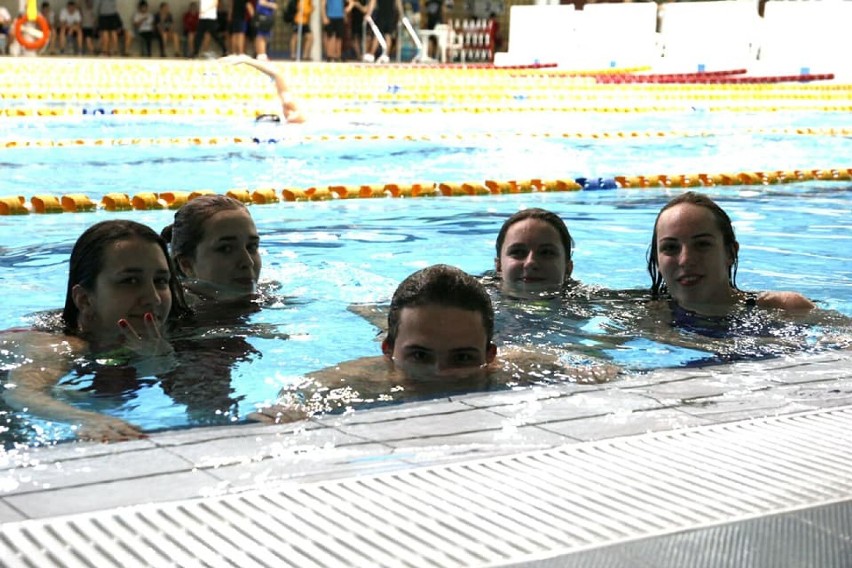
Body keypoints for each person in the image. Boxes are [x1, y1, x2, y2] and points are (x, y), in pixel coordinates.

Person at [252, 264, 618, 423]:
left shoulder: (521, 365)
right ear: (388, 351)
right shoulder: (355, 381)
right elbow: (295, 396)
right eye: (419, 355)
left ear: (491, 356)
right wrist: (288, 413)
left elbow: (595, 373)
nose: (440, 374)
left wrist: (597, 377)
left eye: (462, 357)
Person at [0, 220, 192, 442]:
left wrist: (157, 356)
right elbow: (23, 393)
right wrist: (86, 419)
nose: (153, 298)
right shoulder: (57, 346)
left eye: (160, 281)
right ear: (85, 299)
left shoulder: (151, 338)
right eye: (130, 281)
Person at [648, 191, 815, 317]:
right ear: (657, 260)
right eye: (670, 247)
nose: (685, 260)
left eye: (702, 244)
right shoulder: (646, 318)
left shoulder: (784, 308)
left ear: (730, 253)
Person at [161, 194, 263, 303]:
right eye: (226, 249)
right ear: (187, 265)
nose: (248, 262)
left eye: (252, 246)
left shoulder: (267, 292)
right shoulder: (169, 309)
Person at [493, 207, 577, 300]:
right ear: (499, 266)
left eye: (546, 252)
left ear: (568, 269)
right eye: (518, 252)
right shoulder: (476, 300)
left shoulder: (589, 302)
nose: (530, 263)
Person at [221, 53, 305, 122]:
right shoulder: (289, 103)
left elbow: (277, 74)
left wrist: (245, 60)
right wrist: (245, 60)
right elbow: (276, 74)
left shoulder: (290, 104)